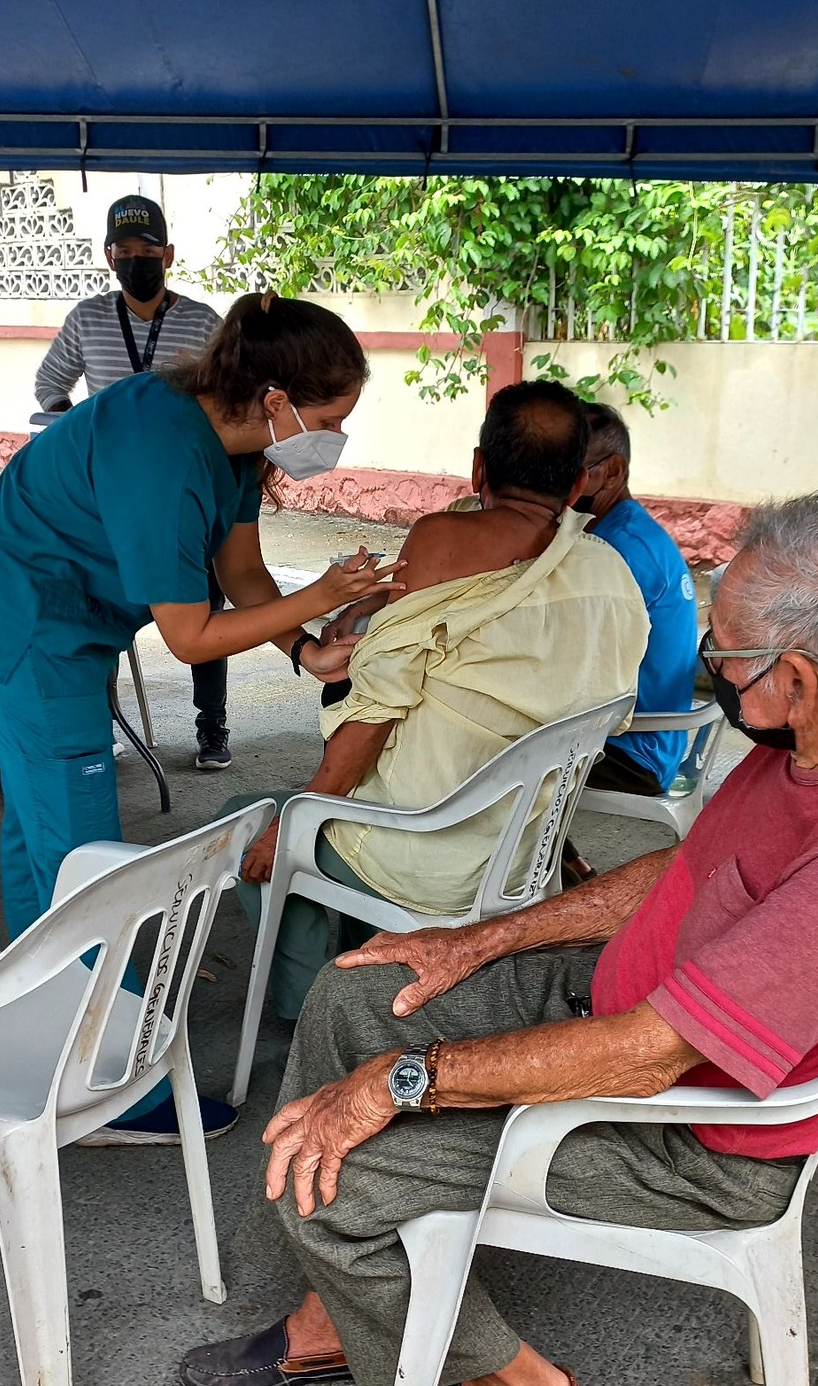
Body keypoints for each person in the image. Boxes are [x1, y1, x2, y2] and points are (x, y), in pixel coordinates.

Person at [178, 490, 818, 1386]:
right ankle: (338, 1312)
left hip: (692, 1140)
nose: (711, 669)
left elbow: (648, 1057)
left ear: (799, 678)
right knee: (358, 993)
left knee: (347, 1179)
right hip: (622, 1003)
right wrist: (482, 940)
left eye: (724, 654)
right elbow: (684, 871)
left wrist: (403, 1082)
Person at [0, 293, 394, 1143]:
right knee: (88, 864)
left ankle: (38, 1017)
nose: (336, 436)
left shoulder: (231, 444)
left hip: (58, 630)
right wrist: (324, 596)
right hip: (26, 634)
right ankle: (105, 1089)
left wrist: (305, 648)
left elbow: (244, 576)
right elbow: (190, 638)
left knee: (43, 833)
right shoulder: (161, 448)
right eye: (332, 417)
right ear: (275, 398)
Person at [217, 380, 650, 1022]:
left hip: (428, 858)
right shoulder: (608, 572)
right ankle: (376, 978)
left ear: (478, 468)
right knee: (337, 804)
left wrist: (291, 821)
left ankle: (310, 1013)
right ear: (579, 484)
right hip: (522, 860)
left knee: (253, 820)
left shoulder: (442, 540)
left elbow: (372, 716)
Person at [34, 193, 235, 775]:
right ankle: (102, 720)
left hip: (182, 488)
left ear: (167, 255)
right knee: (98, 604)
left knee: (205, 602)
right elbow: (49, 384)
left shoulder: (203, 321)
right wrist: (80, 432)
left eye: (146, 250)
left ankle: (212, 725)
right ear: (108, 256)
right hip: (110, 496)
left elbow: (227, 392)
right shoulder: (87, 319)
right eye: (123, 251)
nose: (135, 260)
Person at [574, 400, 700, 793]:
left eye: (573, 469)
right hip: (646, 741)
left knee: (487, 754)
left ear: (613, 472)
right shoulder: (623, 531)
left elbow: (578, 671)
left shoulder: (618, 549)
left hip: (632, 753)